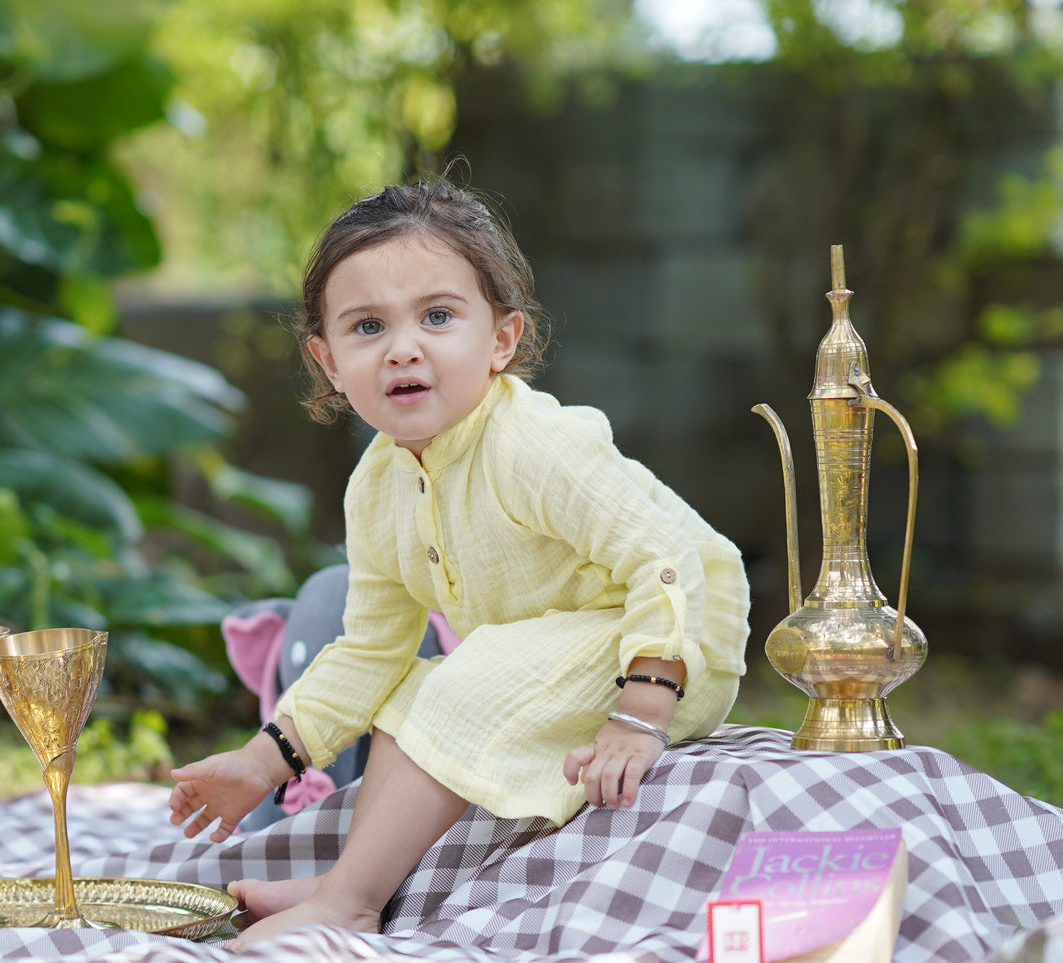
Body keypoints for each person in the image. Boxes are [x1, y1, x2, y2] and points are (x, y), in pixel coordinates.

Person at [168, 177, 751, 948]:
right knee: (412, 685)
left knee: (464, 680)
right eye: (367, 326)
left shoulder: (532, 445)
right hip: (545, 648)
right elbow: (370, 652)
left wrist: (639, 717)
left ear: (501, 339)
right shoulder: (376, 486)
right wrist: (258, 761)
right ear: (328, 359)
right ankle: (352, 877)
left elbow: (663, 560)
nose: (403, 346)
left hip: (663, 643)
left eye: (437, 316)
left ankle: (347, 900)